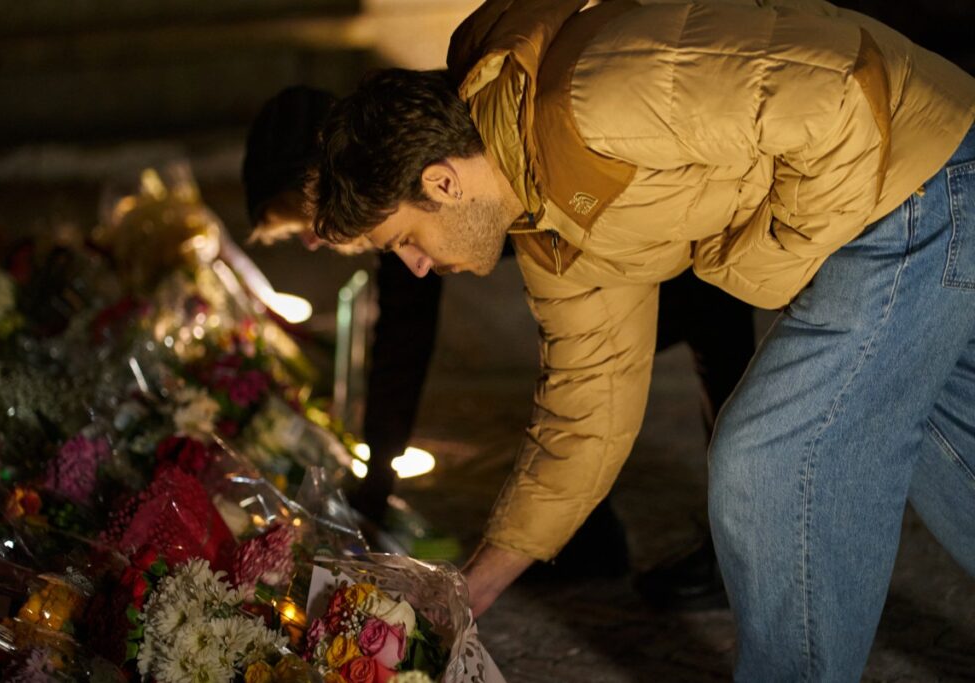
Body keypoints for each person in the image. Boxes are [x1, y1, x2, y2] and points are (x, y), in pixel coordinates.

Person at [312, 0, 975, 679]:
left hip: (924, 180)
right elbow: (586, 408)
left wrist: (771, 258)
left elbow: (840, 94)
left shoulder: (600, 95)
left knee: (770, 455)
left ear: (443, 182)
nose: (416, 266)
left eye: (405, 240)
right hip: (904, 194)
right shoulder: (544, 219)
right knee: (942, 438)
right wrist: (471, 590)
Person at [242, 85, 757, 603]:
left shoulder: (415, 164)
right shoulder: (394, 187)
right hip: (612, 251)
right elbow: (404, 340)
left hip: (672, 230)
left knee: (715, 377)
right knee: (580, 380)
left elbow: (405, 345)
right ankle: (594, 537)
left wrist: (374, 490)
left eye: (305, 224)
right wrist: (375, 487)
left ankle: (743, 548)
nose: (314, 242)